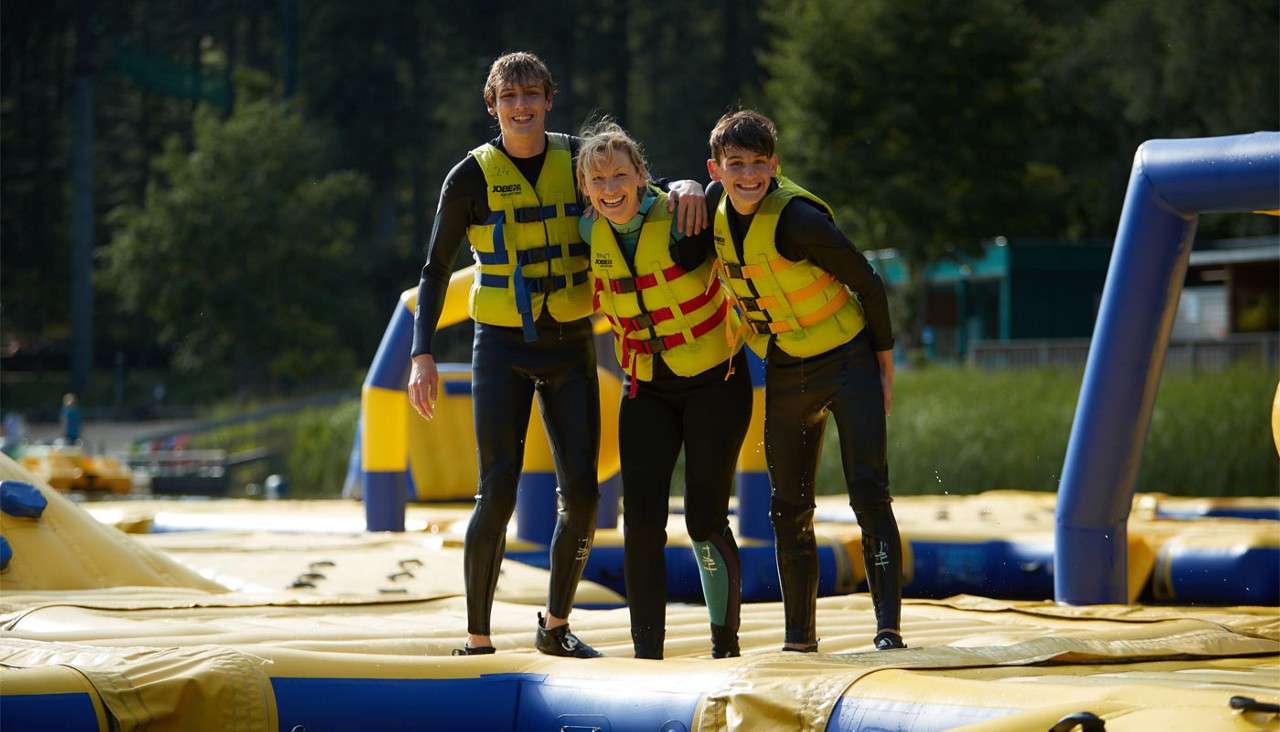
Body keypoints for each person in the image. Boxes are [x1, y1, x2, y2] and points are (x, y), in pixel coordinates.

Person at [406, 52, 705, 658]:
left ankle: (556, 625)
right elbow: (436, 270)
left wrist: (686, 185)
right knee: (497, 494)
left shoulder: (578, 160)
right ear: (492, 106)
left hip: (570, 344)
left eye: (532, 95)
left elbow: (635, 183)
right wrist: (422, 354)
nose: (522, 107)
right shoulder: (469, 178)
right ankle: (477, 637)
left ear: (548, 99)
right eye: (509, 97)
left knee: (586, 497)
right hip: (501, 346)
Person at [705, 110, 906, 652]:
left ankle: (888, 629)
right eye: (736, 165)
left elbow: (868, 281)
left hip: (848, 361)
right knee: (788, 507)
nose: (748, 177)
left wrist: (883, 359)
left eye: (758, 165)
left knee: (869, 493)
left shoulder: (798, 221)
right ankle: (800, 638)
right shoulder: (710, 212)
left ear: (775, 165)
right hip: (789, 368)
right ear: (716, 169)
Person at [576, 121, 750, 659]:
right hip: (646, 391)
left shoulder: (682, 218)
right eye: (598, 178)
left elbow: (730, 192)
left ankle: (725, 645)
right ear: (585, 188)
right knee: (642, 524)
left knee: (703, 519)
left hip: (715, 385)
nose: (610, 188)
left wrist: (690, 185)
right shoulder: (588, 233)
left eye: (621, 175)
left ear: (642, 177)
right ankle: (646, 650)